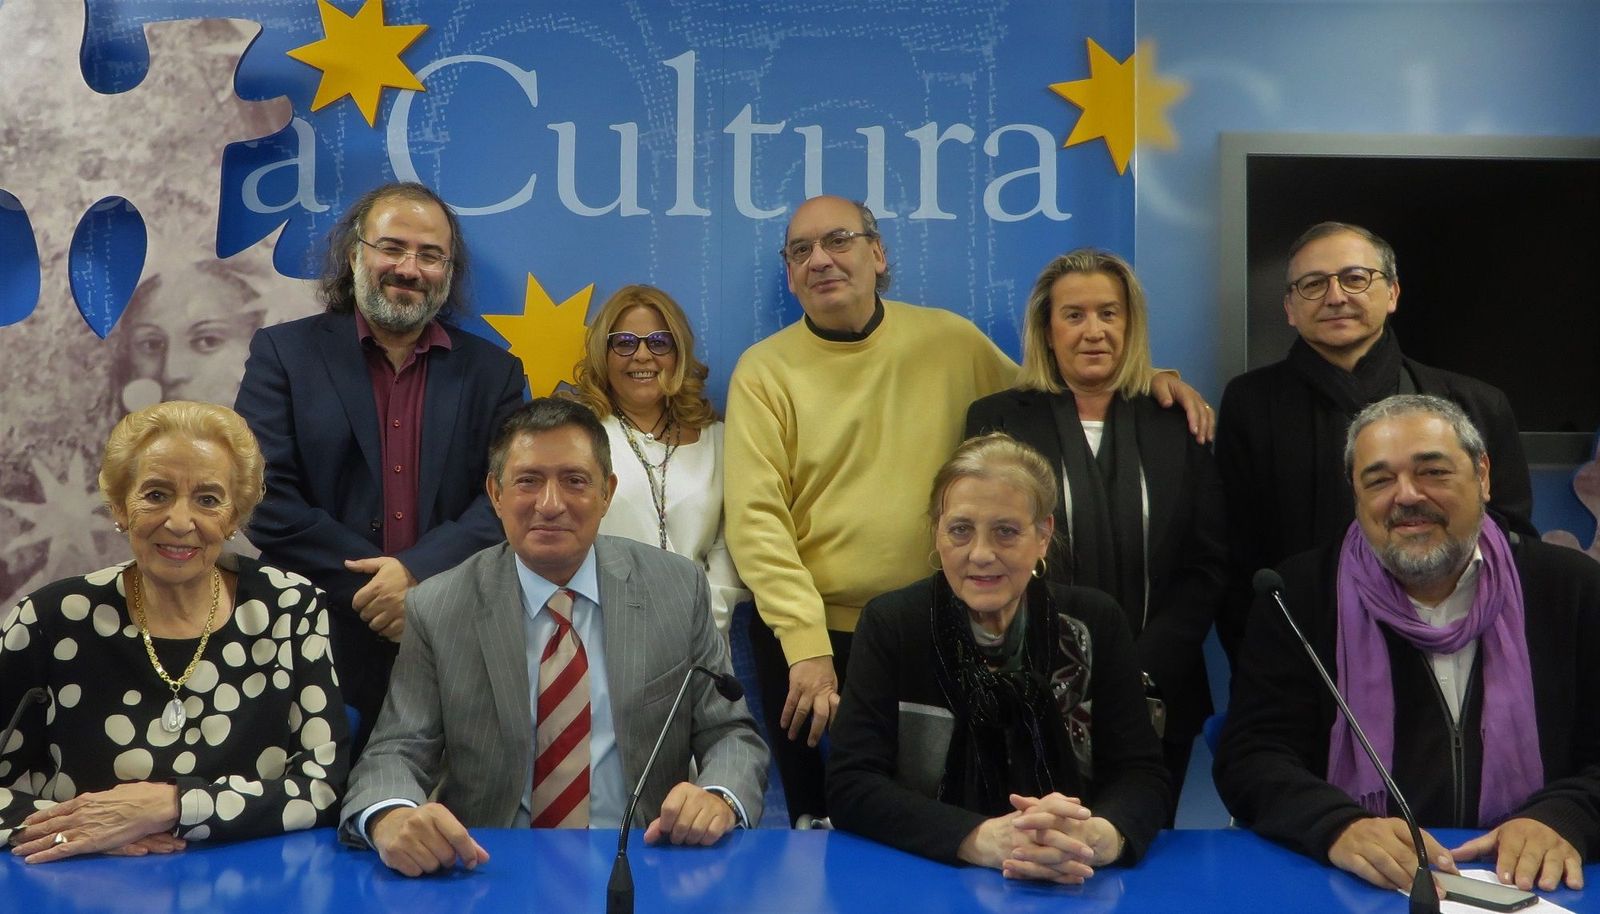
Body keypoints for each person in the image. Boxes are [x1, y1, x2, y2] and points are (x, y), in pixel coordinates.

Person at [724, 194, 1210, 823]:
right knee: (823, 819)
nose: (821, 260)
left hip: (933, 628)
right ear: (789, 273)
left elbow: (1050, 392)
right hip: (813, 638)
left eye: (838, 240)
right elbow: (757, 522)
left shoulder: (950, 339)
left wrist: (1149, 380)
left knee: (931, 809)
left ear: (877, 253)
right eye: (801, 250)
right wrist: (804, 643)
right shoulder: (764, 371)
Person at [340, 399, 767, 877]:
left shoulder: (675, 587)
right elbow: (395, 748)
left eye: (575, 481)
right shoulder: (440, 607)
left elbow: (731, 733)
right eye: (528, 481)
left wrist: (718, 796)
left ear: (607, 493)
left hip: (646, 860)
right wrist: (390, 816)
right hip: (490, 866)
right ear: (495, 493)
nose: (550, 504)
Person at [1215, 395, 1600, 894]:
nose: (1406, 496)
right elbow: (1251, 757)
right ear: (1354, 493)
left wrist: (1565, 815)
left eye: (1433, 472)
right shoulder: (1297, 596)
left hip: (1530, 885)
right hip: (1351, 887)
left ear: (1483, 475)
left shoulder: (1571, 589)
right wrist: (1337, 825)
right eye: (1378, 480)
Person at [234, 181, 525, 755]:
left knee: (445, 827)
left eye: (430, 255)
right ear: (354, 254)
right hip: (311, 637)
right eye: (392, 247)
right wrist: (377, 587)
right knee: (307, 825)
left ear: (449, 268)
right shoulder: (283, 354)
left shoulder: (496, 374)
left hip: (449, 638)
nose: (410, 268)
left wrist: (416, 577)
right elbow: (260, 496)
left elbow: (506, 500)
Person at [0, 401, 347, 863]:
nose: (180, 522)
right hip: (87, 886)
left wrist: (174, 805)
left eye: (207, 499)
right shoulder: (51, 618)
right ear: (121, 506)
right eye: (157, 495)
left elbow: (323, 785)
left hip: (253, 888)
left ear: (235, 516)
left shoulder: (289, 608)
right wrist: (81, 830)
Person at [828, 433, 1170, 881]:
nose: (981, 554)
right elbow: (852, 785)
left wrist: (1096, 836)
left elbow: (1142, 775)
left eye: (1006, 531)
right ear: (938, 531)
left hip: (1076, 876)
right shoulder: (892, 624)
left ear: (1043, 535)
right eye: (960, 530)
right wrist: (983, 838)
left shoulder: (1095, 621)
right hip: (926, 880)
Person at [964, 249, 1227, 807]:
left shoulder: (1178, 421)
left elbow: (1205, 565)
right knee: (1034, 854)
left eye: (1109, 313)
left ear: (1131, 324)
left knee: (1138, 856)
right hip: (1027, 689)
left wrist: (1140, 667)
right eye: (1074, 315)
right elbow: (984, 554)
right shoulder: (999, 420)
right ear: (1047, 328)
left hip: (1159, 692)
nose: (1094, 332)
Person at [1214, 221, 1533, 660]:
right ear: (1289, 307)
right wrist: (1258, 657)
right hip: (1302, 651)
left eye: (1355, 278)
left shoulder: (1475, 404)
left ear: (1392, 293)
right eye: (1312, 284)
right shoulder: (1250, 404)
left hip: (1451, 649)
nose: (1336, 296)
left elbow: (1509, 543)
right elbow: (1234, 556)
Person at [568, 284, 748, 634]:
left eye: (659, 342)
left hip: (699, 641)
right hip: (599, 635)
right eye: (624, 342)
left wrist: (701, 624)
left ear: (678, 353)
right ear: (603, 354)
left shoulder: (719, 439)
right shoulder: (576, 434)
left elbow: (729, 547)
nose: (642, 356)